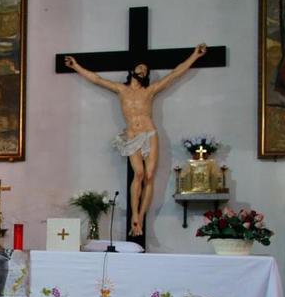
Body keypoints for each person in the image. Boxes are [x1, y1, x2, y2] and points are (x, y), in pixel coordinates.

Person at [64, 44, 207, 237]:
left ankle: (138, 217)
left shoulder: (150, 91)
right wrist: (76, 66)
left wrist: (194, 56)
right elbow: (97, 79)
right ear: (133, 70)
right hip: (132, 135)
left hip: (149, 133)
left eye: (146, 70)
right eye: (140, 68)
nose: (143, 70)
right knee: (138, 174)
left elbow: (175, 74)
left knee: (148, 176)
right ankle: (135, 218)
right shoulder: (121, 90)